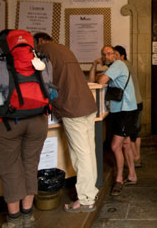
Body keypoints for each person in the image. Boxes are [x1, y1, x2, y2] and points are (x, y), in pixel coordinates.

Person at [0, 29, 48, 228]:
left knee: (10, 169)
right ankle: (28, 216)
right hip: (37, 120)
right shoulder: (38, 60)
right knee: (30, 164)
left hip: (6, 122)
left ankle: (14, 219)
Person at [34, 33, 99, 213]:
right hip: (87, 104)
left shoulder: (42, 50)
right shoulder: (64, 49)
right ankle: (91, 193)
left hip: (72, 107)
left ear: (39, 41)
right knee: (88, 151)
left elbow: (42, 80)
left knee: (80, 155)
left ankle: (86, 199)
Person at [88, 45, 138, 197]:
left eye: (109, 54)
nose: (106, 56)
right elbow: (92, 82)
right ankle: (132, 176)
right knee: (125, 143)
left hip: (126, 110)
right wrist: (94, 65)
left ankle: (118, 180)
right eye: (104, 54)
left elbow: (101, 81)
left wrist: (100, 76)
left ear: (115, 56)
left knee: (115, 146)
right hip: (119, 110)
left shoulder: (117, 65)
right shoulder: (112, 69)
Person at [113, 45, 143, 168]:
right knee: (135, 132)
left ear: (122, 56)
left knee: (131, 134)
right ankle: (137, 157)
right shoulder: (128, 65)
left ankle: (136, 158)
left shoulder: (122, 65)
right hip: (137, 101)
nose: (113, 58)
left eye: (115, 55)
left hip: (133, 103)